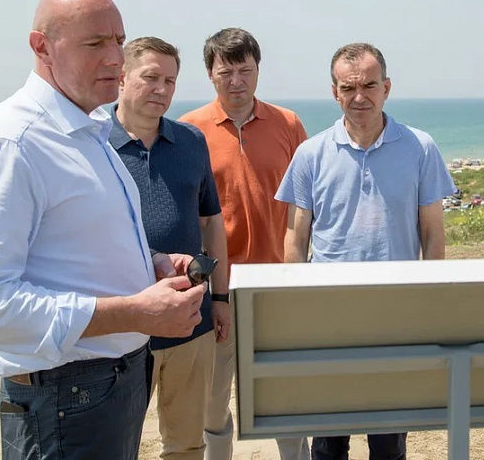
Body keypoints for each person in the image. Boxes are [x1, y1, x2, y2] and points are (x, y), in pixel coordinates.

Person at [0, 0, 206, 460]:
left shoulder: (87, 131)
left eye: (119, 41)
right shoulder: (7, 143)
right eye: (95, 43)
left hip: (107, 387)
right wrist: (135, 312)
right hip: (64, 398)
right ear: (41, 46)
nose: (115, 58)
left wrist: (150, 263)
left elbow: (74, 246)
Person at [276, 42, 455, 460]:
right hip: (329, 315)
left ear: (386, 87)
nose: (359, 97)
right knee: (328, 440)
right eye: (348, 87)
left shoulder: (420, 147)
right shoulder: (310, 154)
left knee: (388, 439)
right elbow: (295, 239)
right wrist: (295, 307)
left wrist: (431, 301)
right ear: (334, 92)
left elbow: (433, 233)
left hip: (397, 313)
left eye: (369, 85)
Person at [179, 28, 309, 460]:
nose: (236, 81)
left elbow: (306, 203)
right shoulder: (188, 130)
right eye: (226, 72)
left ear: (258, 70)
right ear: (210, 75)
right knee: (214, 399)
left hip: (278, 283)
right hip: (218, 290)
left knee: (285, 393)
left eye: (245, 70)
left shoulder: (288, 124)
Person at [110, 36, 230, 460]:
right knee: (115, 445)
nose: (161, 89)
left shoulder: (191, 142)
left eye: (170, 81)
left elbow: (211, 222)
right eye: (150, 78)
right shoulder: (92, 144)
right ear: (121, 77)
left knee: (186, 445)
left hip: (189, 320)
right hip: (120, 325)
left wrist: (220, 299)